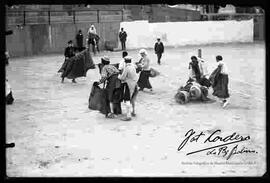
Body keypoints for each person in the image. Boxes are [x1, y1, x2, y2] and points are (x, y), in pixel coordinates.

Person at [118, 56, 139, 121]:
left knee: (127, 100)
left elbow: (122, 77)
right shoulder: (133, 67)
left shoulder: (126, 68)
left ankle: (128, 116)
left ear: (125, 61)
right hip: (135, 84)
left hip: (129, 85)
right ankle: (133, 111)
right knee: (133, 99)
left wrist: (119, 76)